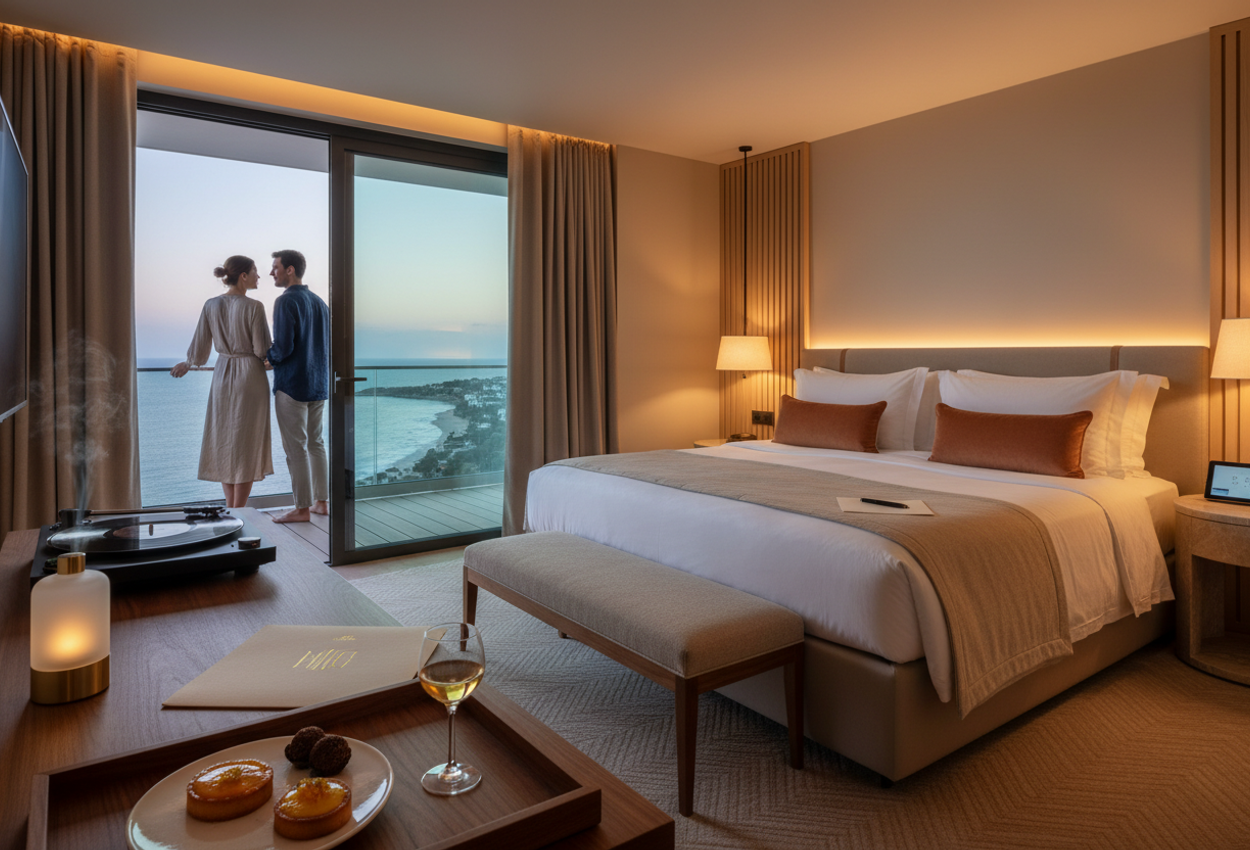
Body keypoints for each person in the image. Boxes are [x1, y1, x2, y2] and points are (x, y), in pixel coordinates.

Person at [171, 256, 273, 508]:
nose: (259, 276)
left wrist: (189, 363)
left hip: (222, 373)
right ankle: (240, 512)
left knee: (225, 440)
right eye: (255, 272)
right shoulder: (254, 307)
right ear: (243, 276)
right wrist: (271, 359)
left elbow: (200, 345)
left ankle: (232, 509)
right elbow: (262, 350)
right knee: (246, 443)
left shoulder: (211, 305)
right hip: (249, 376)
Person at [266, 249, 330, 523]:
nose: (272, 272)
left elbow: (283, 346)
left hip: (292, 384)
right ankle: (321, 503)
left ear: (290, 269)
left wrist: (268, 359)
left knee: (296, 448)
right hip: (319, 384)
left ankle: (301, 508)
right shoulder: (320, 303)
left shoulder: (285, 301)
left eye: (276, 267)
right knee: (316, 444)